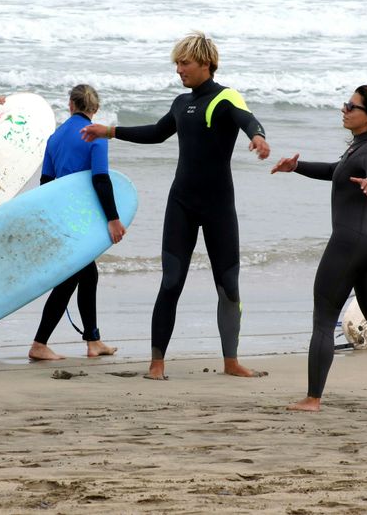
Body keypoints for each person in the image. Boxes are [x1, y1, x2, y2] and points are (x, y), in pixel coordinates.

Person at [80, 31, 270, 380]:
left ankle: (231, 362)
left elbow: (247, 120)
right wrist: (109, 131)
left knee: (228, 285)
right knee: (171, 281)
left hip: (218, 207)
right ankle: (156, 364)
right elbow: (156, 132)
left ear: (206, 64)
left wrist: (258, 137)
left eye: (185, 62)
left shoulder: (225, 98)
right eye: (177, 63)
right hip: (181, 202)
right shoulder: (181, 104)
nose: (179, 69)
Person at [272, 85, 367, 412]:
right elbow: (335, 172)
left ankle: (312, 399)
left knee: (324, 319)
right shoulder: (360, 147)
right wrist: (296, 167)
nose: (345, 110)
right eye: (345, 104)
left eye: (351, 106)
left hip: (349, 243)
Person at [28, 84, 125, 360]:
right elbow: (101, 179)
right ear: (94, 110)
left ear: (70, 104)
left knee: (87, 274)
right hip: (84, 217)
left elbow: (46, 183)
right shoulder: (95, 136)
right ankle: (39, 344)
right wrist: (114, 219)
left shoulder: (54, 138)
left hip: (62, 215)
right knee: (72, 278)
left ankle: (93, 340)